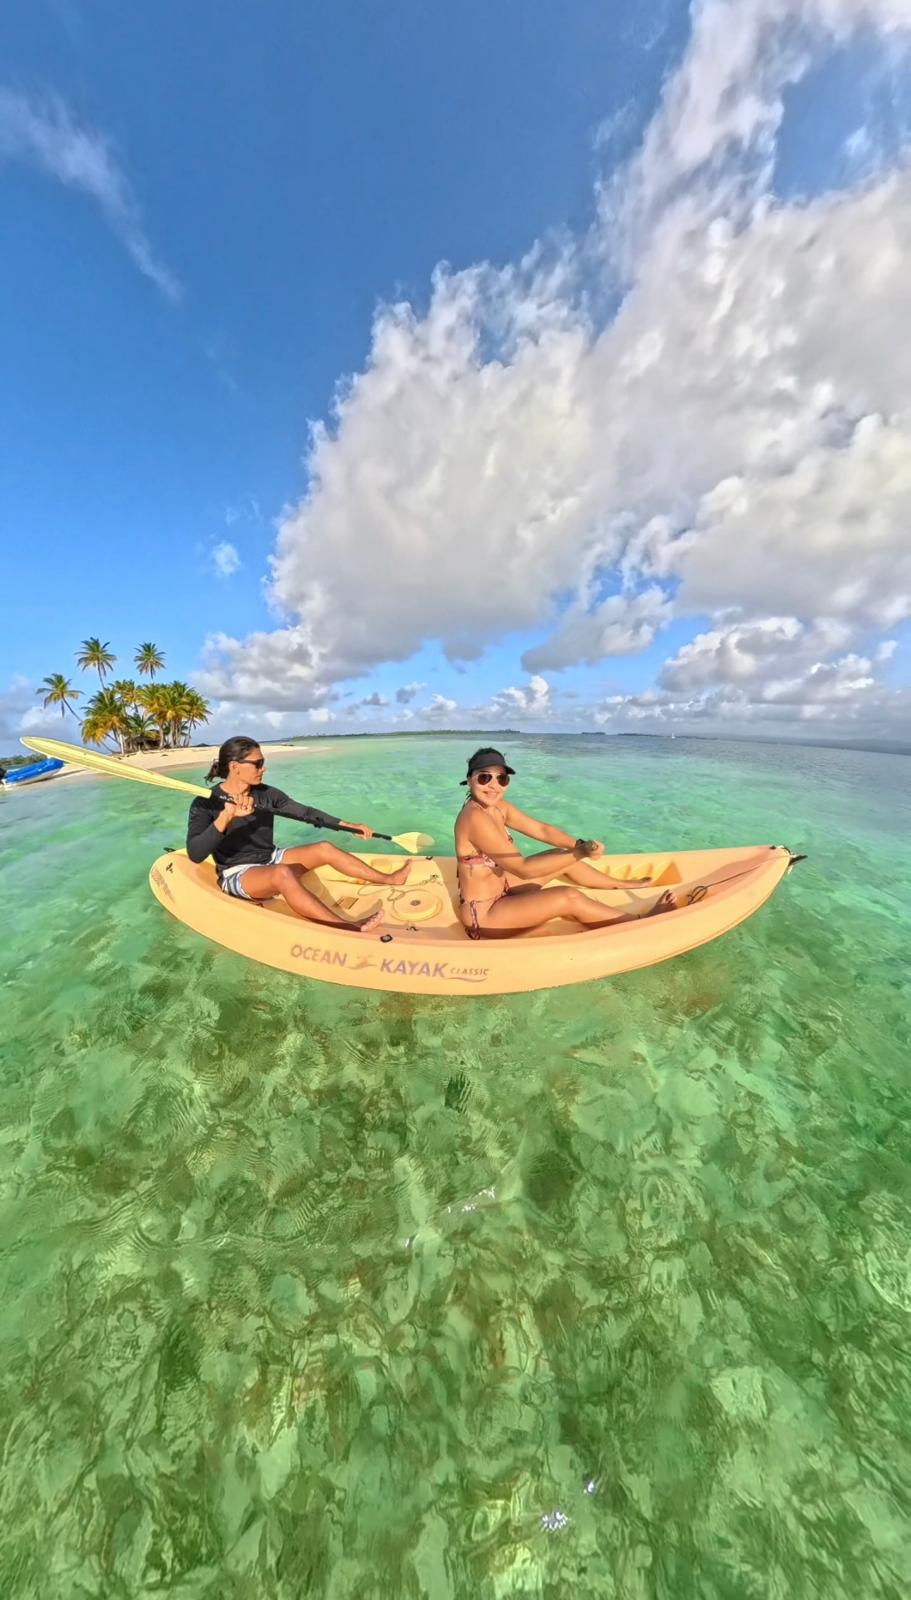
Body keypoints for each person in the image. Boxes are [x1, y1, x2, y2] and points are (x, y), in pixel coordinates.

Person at [187, 736, 411, 932]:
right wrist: (226, 817)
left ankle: (390, 879)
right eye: (258, 764)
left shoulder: (267, 794)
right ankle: (346, 927)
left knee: (324, 848)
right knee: (282, 873)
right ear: (235, 767)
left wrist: (348, 826)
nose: (263, 769)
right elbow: (196, 854)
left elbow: (306, 813)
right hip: (237, 872)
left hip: (271, 857)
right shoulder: (205, 803)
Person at [454, 746, 676, 940]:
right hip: (486, 915)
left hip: (503, 890)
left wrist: (579, 845)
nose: (494, 786)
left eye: (501, 779)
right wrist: (580, 853)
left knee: (561, 855)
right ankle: (639, 922)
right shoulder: (474, 818)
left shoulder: (497, 808)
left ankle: (621, 884)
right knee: (567, 897)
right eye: (484, 778)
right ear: (470, 779)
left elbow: (541, 830)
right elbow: (523, 870)